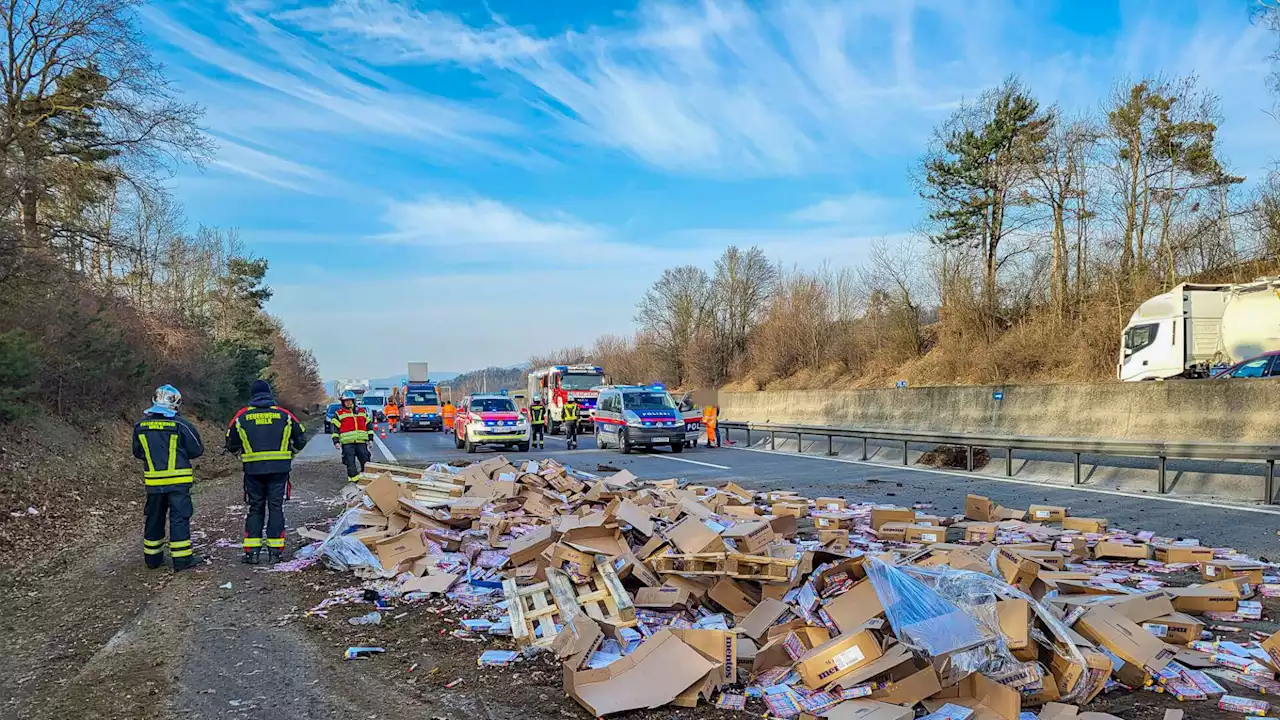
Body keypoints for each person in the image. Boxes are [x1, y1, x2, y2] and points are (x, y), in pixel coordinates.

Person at [225, 379, 308, 565]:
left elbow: (230, 443)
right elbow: (301, 437)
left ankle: (252, 553)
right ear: (269, 394)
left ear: (252, 395)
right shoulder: (284, 415)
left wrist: (242, 452)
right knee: (276, 508)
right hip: (279, 471)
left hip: (253, 472)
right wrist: (291, 452)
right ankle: (275, 553)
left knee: (255, 508)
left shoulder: (241, 417)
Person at [132, 384, 205, 571]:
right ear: (176, 403)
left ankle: (152, 558)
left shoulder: (140, 425)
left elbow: (138, 452)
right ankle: (181, 559)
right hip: (178, 481)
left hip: (154, 482)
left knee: (154, 518)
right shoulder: (181, 425)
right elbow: (197, 449)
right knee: (179, 517)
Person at [332, 390, 373, 482]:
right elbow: (335, 429)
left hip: (361, 442)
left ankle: (366, 479)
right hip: (347, 443)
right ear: (343, 402)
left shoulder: (362, 411)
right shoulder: (339, 413)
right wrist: (336, 441)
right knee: (350, 463)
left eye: (350, 400)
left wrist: (370, 439)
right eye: (346, 401)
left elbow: (369, 426)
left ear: (353, 401)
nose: (348, 403)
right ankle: (354, 481)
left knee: (366, 462)